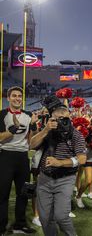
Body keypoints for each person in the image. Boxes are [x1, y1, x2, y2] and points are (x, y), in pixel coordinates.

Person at [29, 96, 86, 236]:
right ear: (51, 119)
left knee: (61, 216)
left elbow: (82, 159)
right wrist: (45, 130)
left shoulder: (76, 134)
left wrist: (60, 162)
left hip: (65, 180)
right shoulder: (47, 131)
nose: (61, 122)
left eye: (64, 119)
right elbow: (31, 145)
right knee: (44, 218)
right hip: (44, 178)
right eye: (57, 119)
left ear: (69, 118)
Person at [0, 86, 37, 235]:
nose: (17, 98)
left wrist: (34, 126)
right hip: (6, 155)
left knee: (24, 192)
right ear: (8, 98)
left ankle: (20, 224)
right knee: (3, 194)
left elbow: (31, 140)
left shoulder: (28, 115)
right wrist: (13, 129)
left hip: (22, 156)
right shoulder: (2, 114)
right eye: (14, 96)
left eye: (19, 96)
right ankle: (1, 226)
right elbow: (1, 137)